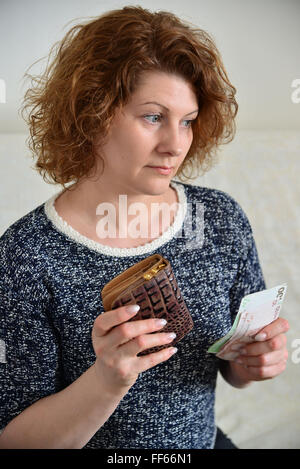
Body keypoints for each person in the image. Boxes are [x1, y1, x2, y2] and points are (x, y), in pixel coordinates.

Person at [0, 6, 289, 449]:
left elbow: (230, 363)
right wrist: (105, 381)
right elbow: (13, 438)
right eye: (153, 116)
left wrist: (250, 365)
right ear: (92, 114)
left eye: (188, 121)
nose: (176, 144)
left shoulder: (221, 220)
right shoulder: (26, 255)